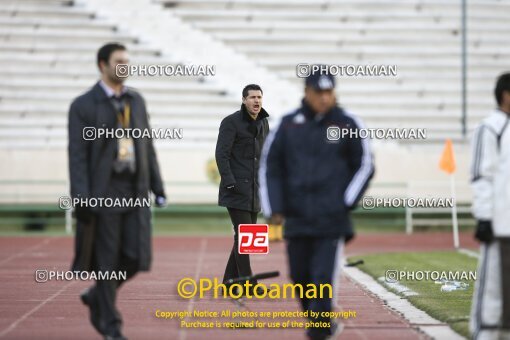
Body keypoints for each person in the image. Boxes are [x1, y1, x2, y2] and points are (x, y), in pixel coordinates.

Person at [259, 67, 374, 339]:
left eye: (329, 92)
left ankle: (319, 332)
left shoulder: (348, 123)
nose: (324, 98)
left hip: (331, 221)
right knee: (300, 281)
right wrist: (274, 207)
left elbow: (365, 165)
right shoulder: (288, 125)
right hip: (296, 218)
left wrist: (345, 201)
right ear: (306, 92)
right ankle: (323, 325)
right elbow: (270, 167)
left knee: (321, 280)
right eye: (318, 92)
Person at [68, 42, 166, 340]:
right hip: (104, 191)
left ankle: (98, 295)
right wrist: (81, 197)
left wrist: (157, 187)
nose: (124, 66)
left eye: (127, 61)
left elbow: (147, 146)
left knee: (137, 257)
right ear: (102, 65)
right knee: (107, 262)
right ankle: (111, 328)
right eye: (118, 61)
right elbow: (77, 157)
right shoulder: (83, 105)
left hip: (135, 189)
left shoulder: (136, 101)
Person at [215, 84, 269, 294]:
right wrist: (230, 182)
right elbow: (222, 154)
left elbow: (265, 156)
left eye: (259, 97)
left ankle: (229, 281)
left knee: (245, 239)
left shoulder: (264, 122)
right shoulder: (230, 122)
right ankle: (248, 283)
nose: (257, 101)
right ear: (244, 100)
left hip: (255, 192)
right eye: (252, 97)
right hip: (236, 190)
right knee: (245, 237)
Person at [470, 72, 510, 340]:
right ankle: (485, 332)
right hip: (500, 225)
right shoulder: (491, 127)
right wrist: (484, 217)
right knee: (493, 290)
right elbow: (482, 176)